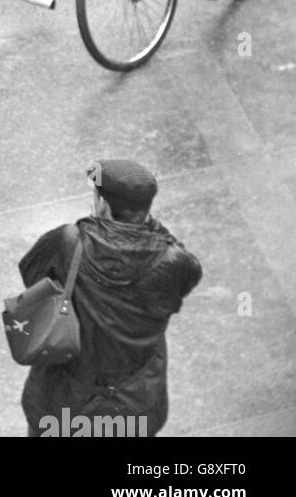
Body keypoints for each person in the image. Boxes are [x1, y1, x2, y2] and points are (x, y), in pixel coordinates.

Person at [19, 158, 201, 438]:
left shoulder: (68, 242)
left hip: (63, 403)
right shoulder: (175, 262)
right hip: (132, 406)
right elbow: (186, 278)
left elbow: (33, 275)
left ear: (102, 205)